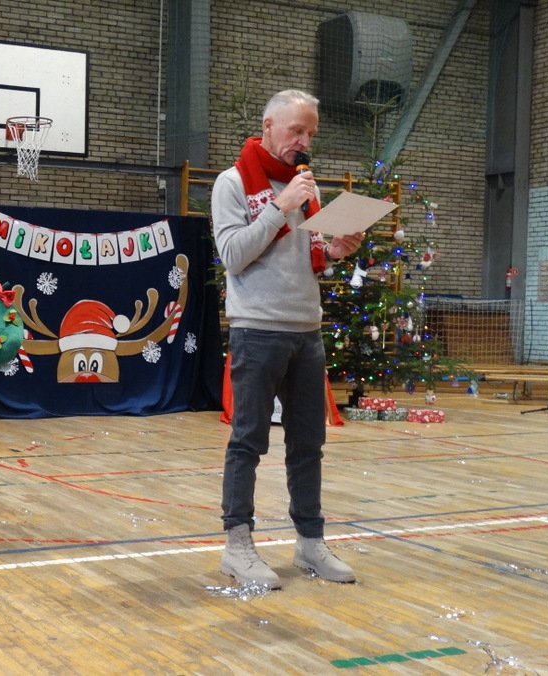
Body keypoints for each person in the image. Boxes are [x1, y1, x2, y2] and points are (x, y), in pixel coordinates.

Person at [210, 89, 364, 589]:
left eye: (311, 133)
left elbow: (306, 259)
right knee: (248, 441)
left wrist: (336, 249)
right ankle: (237, 546)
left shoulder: (306, 187)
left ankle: (310, 542)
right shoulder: (233, 182)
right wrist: (279, 207)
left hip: (306, 330)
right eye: (296, 130)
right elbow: (234, 255)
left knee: (308, 444)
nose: (304, 142)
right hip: (258, 329)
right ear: (269, 126)